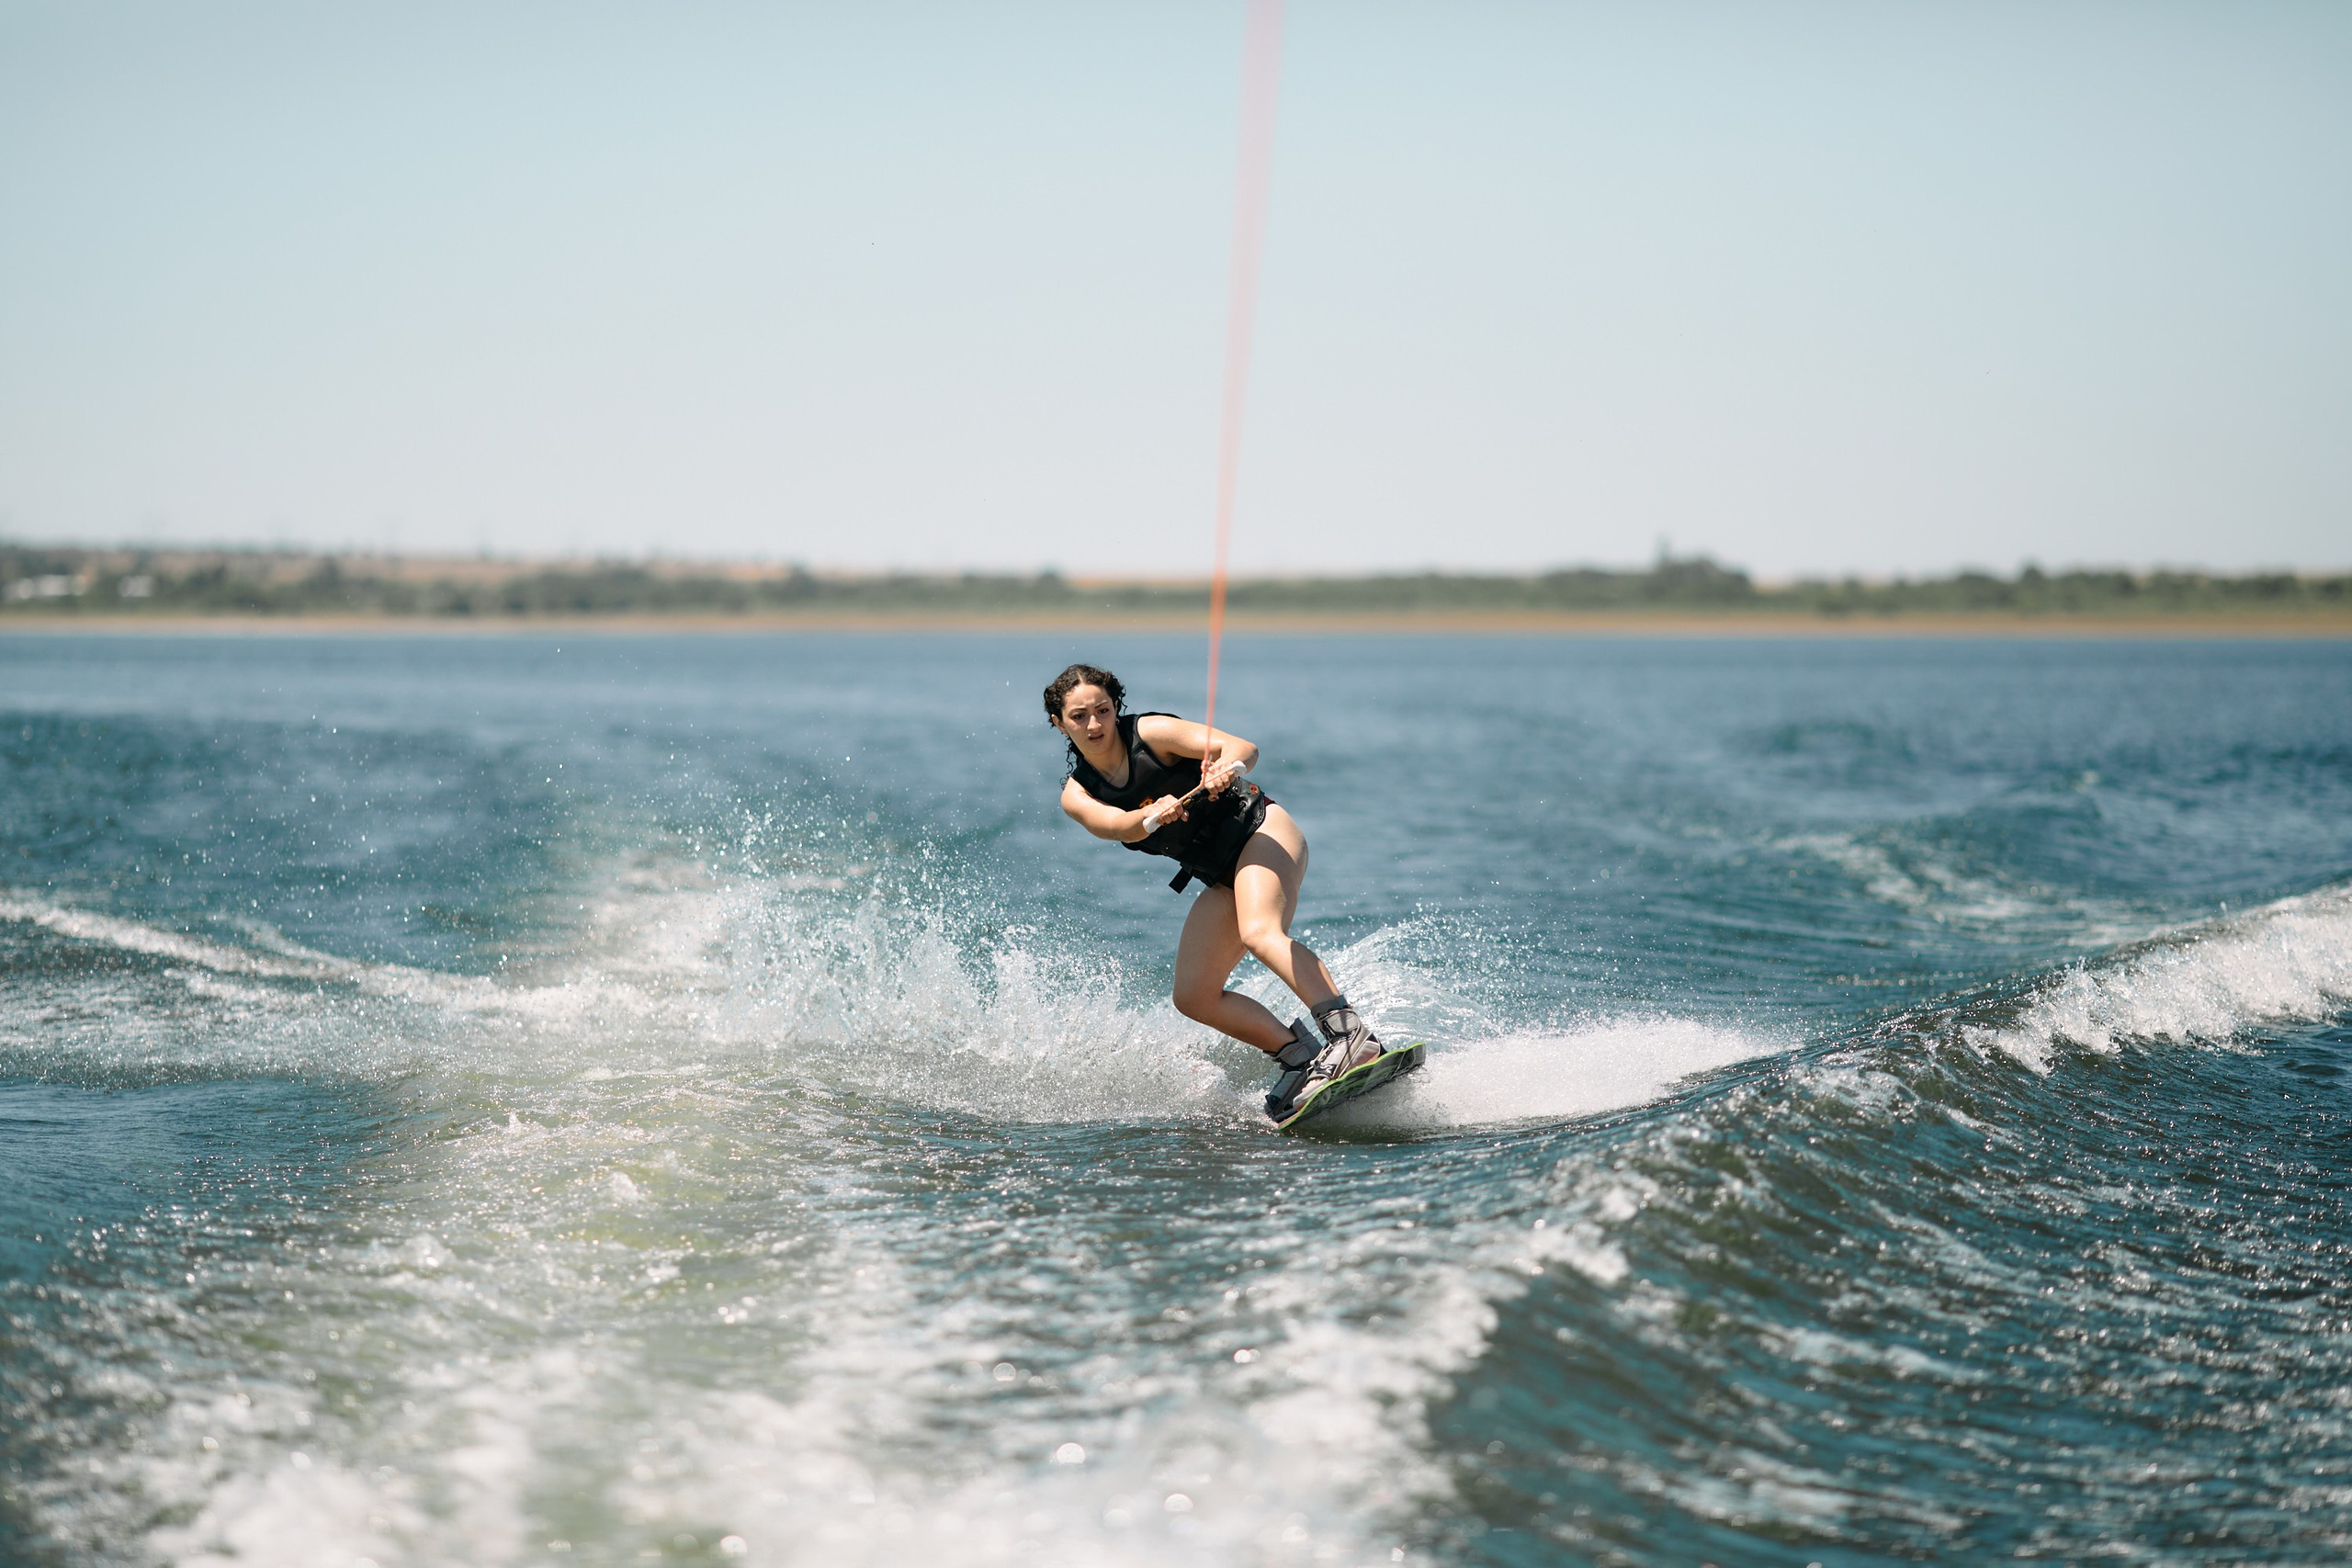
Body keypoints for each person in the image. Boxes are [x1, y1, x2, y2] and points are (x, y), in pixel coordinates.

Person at [1043, 661, 1389, 1121]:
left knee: (1259, 932)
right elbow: (1116, 826)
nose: (1094, 724)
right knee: (1193, 995)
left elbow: (1242, 746)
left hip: (1263, 833)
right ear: (1059, 723)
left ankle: (1351, 1037)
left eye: (1103, 711)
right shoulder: (1078, 794)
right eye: (1080, 716)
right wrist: (1152, 815)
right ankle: (1298, 1058)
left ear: (1115, 708)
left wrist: (1228, 767)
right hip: (1221, 875)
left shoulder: (1151, 732)